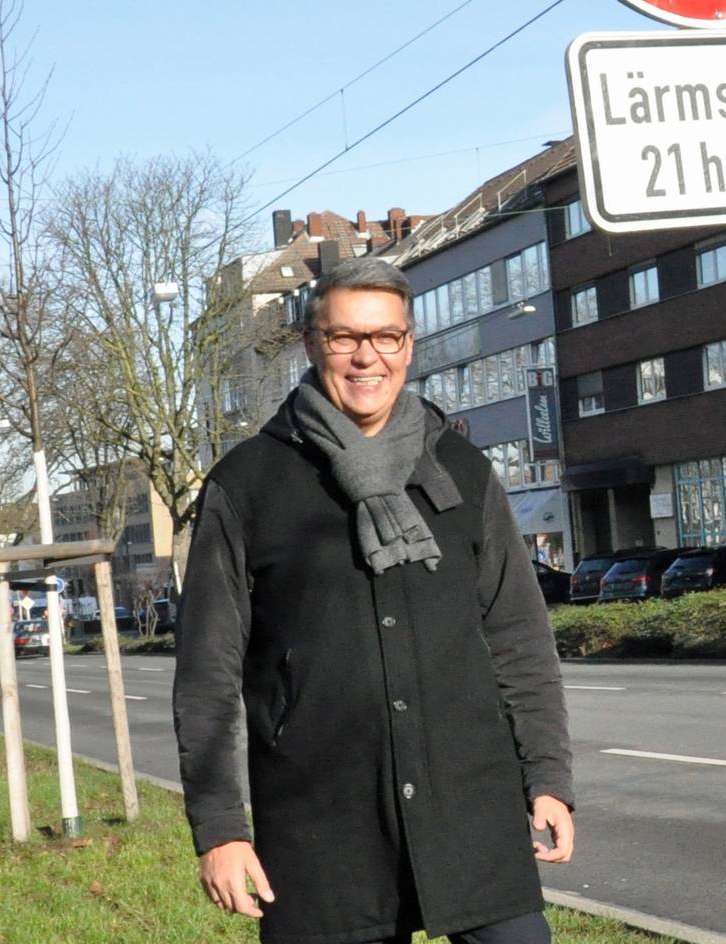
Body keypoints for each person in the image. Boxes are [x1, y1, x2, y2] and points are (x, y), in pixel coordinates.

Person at [175, 256, 575, 944]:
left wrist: (548, 774)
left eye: (386, 337)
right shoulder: (248, 483)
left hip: (470, 806)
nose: (367, 357)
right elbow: (208, 674)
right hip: (322, 821)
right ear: (311, 343)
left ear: (408, 346)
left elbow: (517, 636)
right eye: (344, 338)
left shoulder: (461, 471)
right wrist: (220, 827)